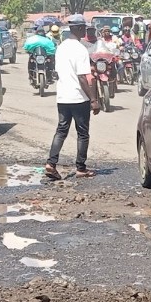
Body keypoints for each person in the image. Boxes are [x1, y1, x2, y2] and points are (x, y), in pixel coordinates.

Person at [45, 14, 100, 181]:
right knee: (82, 133)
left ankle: (51, 164)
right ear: (76, 28)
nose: (85, 30)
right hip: (78, 97)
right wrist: (93, 99)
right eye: (83, 28)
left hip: (62, 97)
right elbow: (83, 77)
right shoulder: (80, 49)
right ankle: (81, 168)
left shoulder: (61, 47)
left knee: (61, 130)